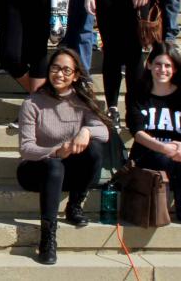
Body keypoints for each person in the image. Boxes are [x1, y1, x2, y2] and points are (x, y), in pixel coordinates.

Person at [16, 47, 112, 265]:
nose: (60, 74)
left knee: (95, 148)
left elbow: (105, 132)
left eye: (66, 70)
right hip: (36, 169)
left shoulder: (82, 101)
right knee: (54, 166)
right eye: (56, 68)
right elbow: (26, 148)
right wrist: (57, 151)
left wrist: (85, 131)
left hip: (69, 170)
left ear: (76, 75)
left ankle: (75, 204)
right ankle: (48, 237)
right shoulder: (32, 103)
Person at [126, 42, 181, 226]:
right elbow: (137, 131)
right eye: (158, 64)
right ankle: (160, 207)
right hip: (147, 153)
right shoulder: (137, 94)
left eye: (168, 65)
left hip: (178, 152)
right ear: (148, 65)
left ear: (175, 69)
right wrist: (164, 147)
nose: (162, 69)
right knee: (166, 160)